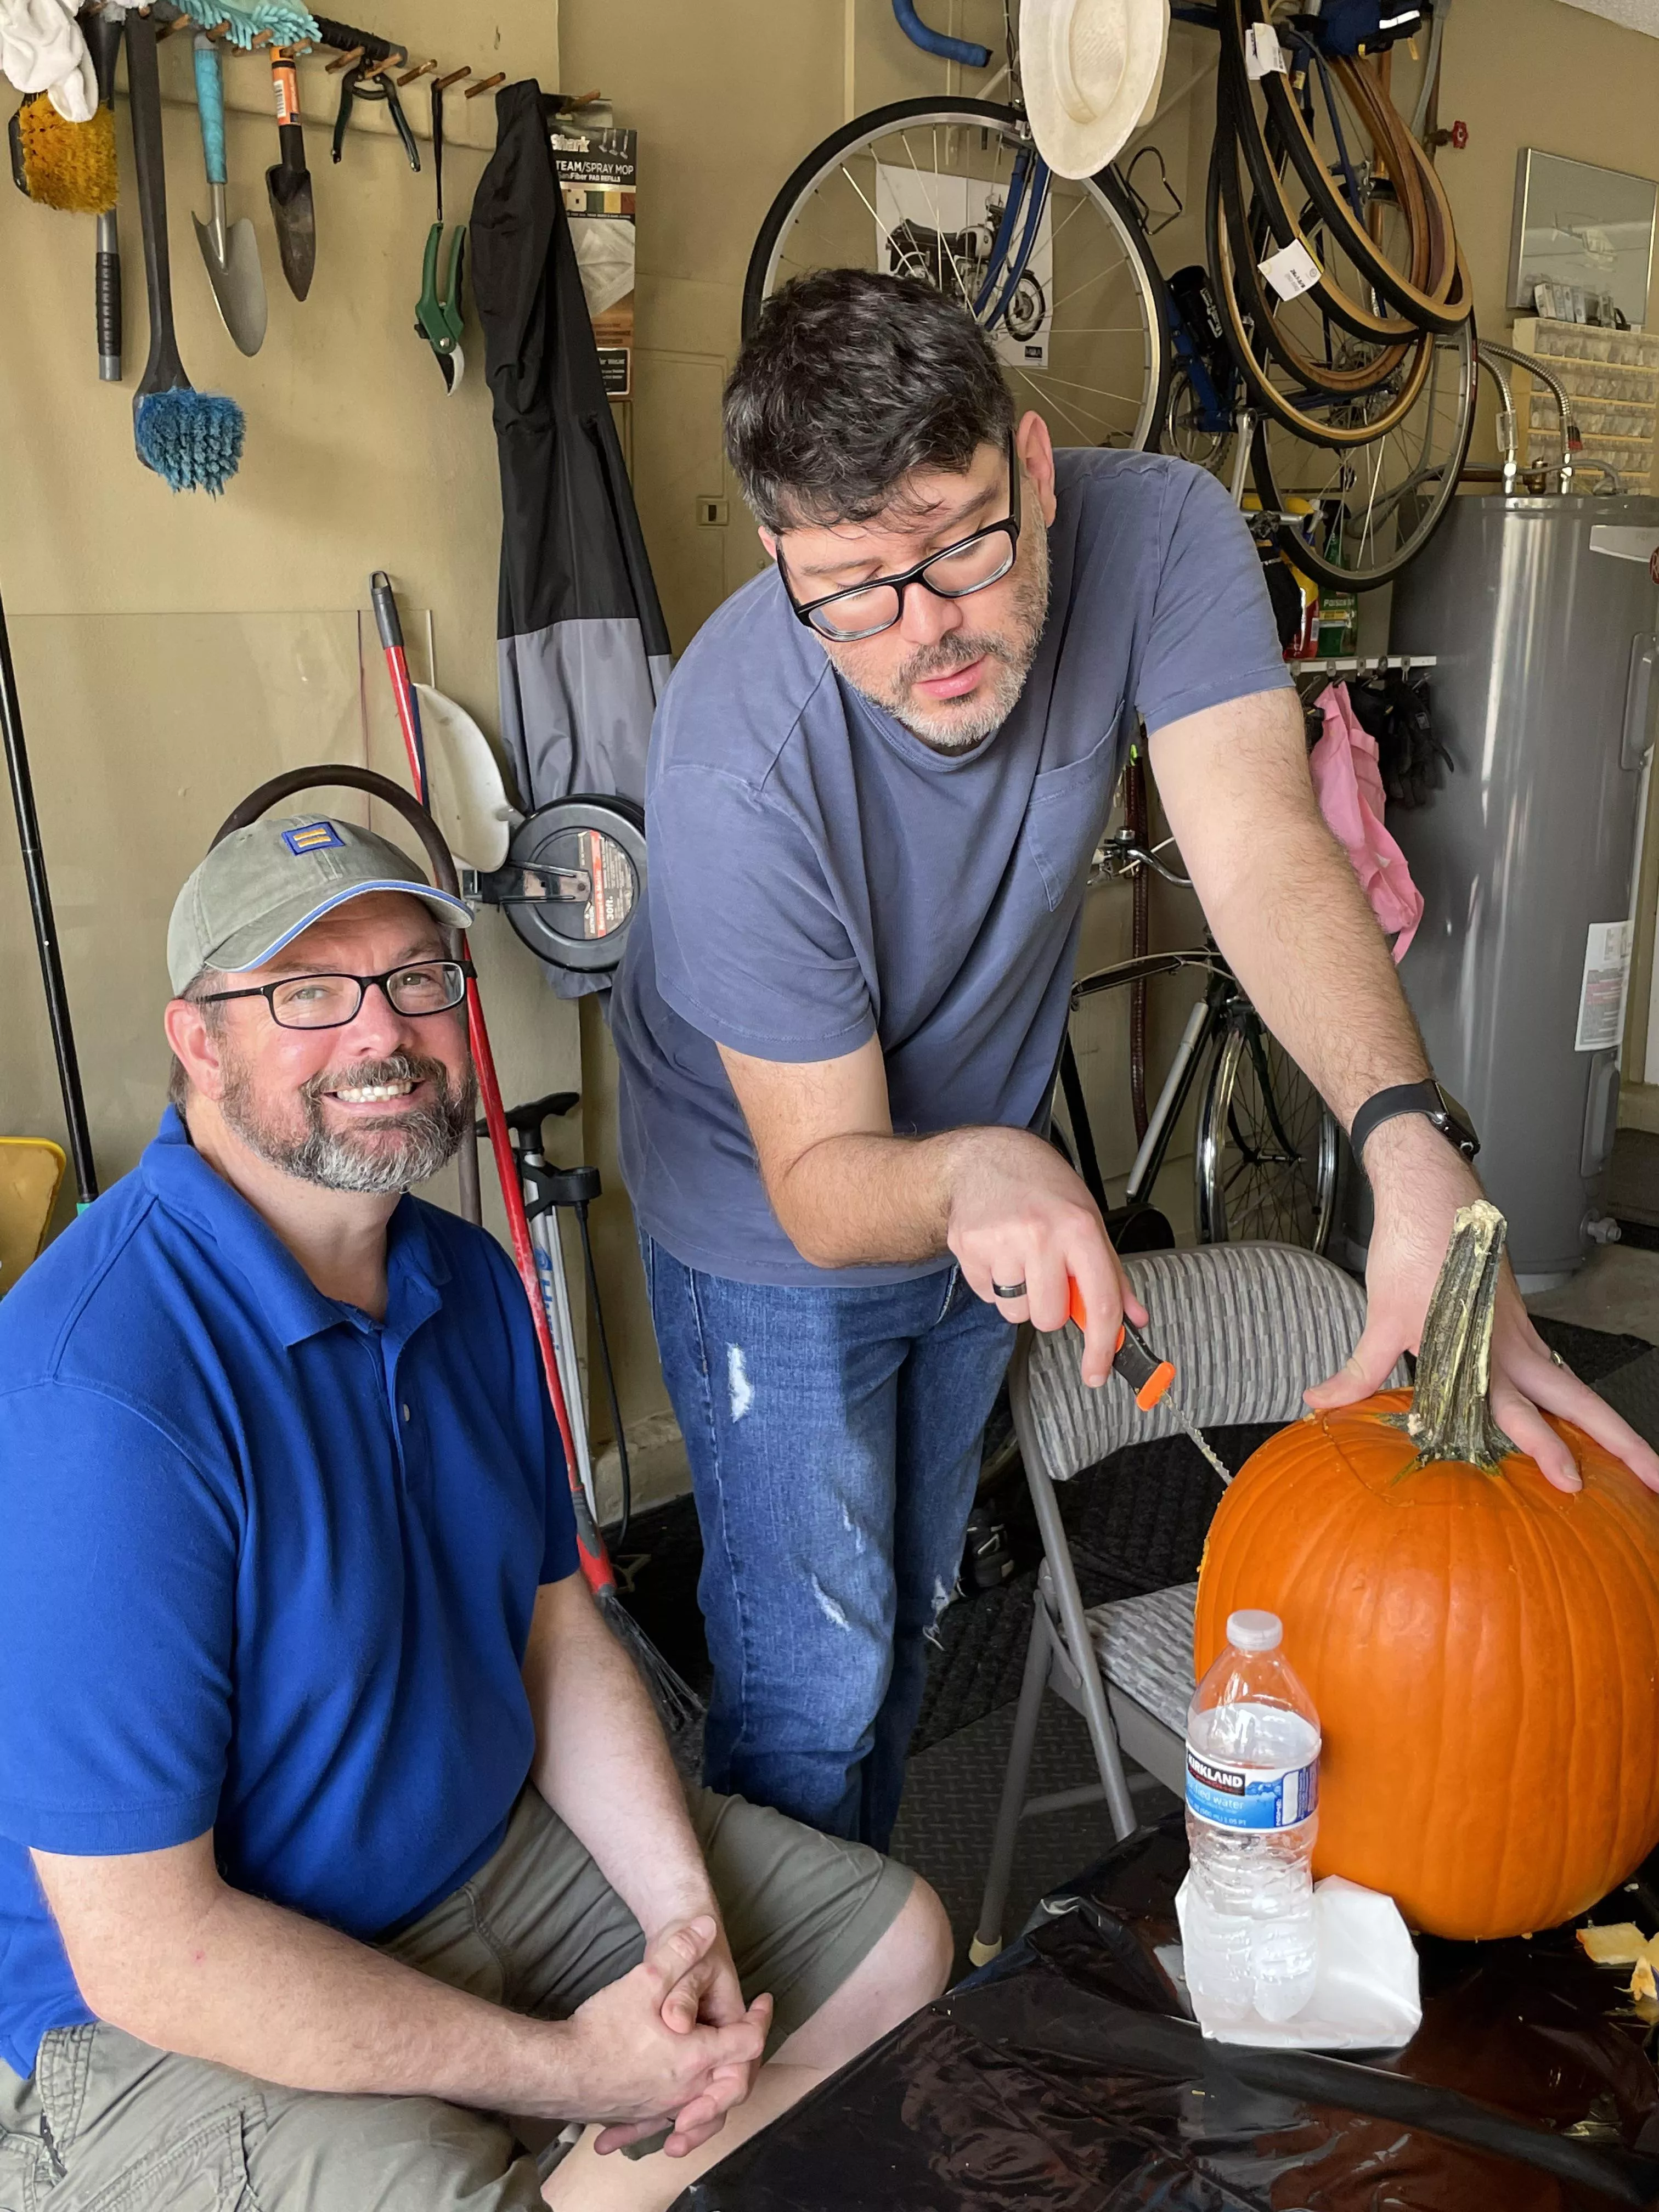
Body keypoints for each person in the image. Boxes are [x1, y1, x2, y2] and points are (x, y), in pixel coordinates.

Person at [611, 268, 1659, 1852]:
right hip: (772, 1211)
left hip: (992, 1169)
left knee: (920, 1597)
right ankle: (803, 2048)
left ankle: (872, 1939)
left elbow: (1258, 848)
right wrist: (984, 1165)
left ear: (1033, 466)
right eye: (852, 591)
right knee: (816, 1674)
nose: (927, 635)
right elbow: (824, 1188)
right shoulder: (733, 751)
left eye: (962, 542)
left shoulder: (1159, 529)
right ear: (780, 562)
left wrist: (1408, 1140)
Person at [0, 814, 952, 2212]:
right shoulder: (100, 1386)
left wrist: (680, 1921)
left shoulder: (466, 1276)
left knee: (900, 1953)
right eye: (308, 994)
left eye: (418, 979)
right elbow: (151, 1951)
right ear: (198, 1042)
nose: (381, 1034)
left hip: (486, 1855)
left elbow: (553, 1626)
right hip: (168, 2013)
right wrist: (576, 2071)